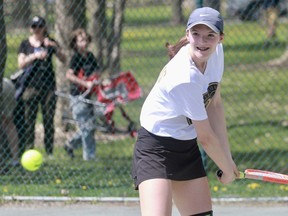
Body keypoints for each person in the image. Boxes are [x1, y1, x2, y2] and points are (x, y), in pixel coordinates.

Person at [132, 7, 239, 216]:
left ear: (221, 38)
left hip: (185, 147)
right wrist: (226, 168)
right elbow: (206, 137)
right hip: (155, 148)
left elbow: (215, 104)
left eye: (210, 35)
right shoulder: (184, 75)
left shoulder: (216, 54)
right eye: (196, 34)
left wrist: (227, 158)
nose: (202, 41)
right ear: (187, 34)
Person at [15, 15, 66, 158]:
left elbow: (64, 58)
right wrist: (34, 56)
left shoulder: (50, 42)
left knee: (49, 120)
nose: (37, 30)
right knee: (28, 120)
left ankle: (49, 151)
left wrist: (54, 47)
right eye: (34, 27)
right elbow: (21, 64)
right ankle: (29, 149)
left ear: (44, 28)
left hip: (48, 87)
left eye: (40, 26)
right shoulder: (25, 44)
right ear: (31, 28)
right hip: (30, 87)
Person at [64, 28, 101, 161]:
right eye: (80, 41)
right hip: (78, 96)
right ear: (75, 43)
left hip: (89, 96)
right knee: (86, 126)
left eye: (85, 40)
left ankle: (71, 143)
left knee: (90, 126)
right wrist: (85, 84)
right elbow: (69, 75)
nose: (84, 43)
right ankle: (89, 157)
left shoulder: (90, 56)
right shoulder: (76, 58)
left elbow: (96, 72)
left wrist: (97, 80)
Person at [1, 78, 20, 171]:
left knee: (7, 122)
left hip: (4, 86)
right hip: (6, 84)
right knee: (9, 122)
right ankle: (15, 159)